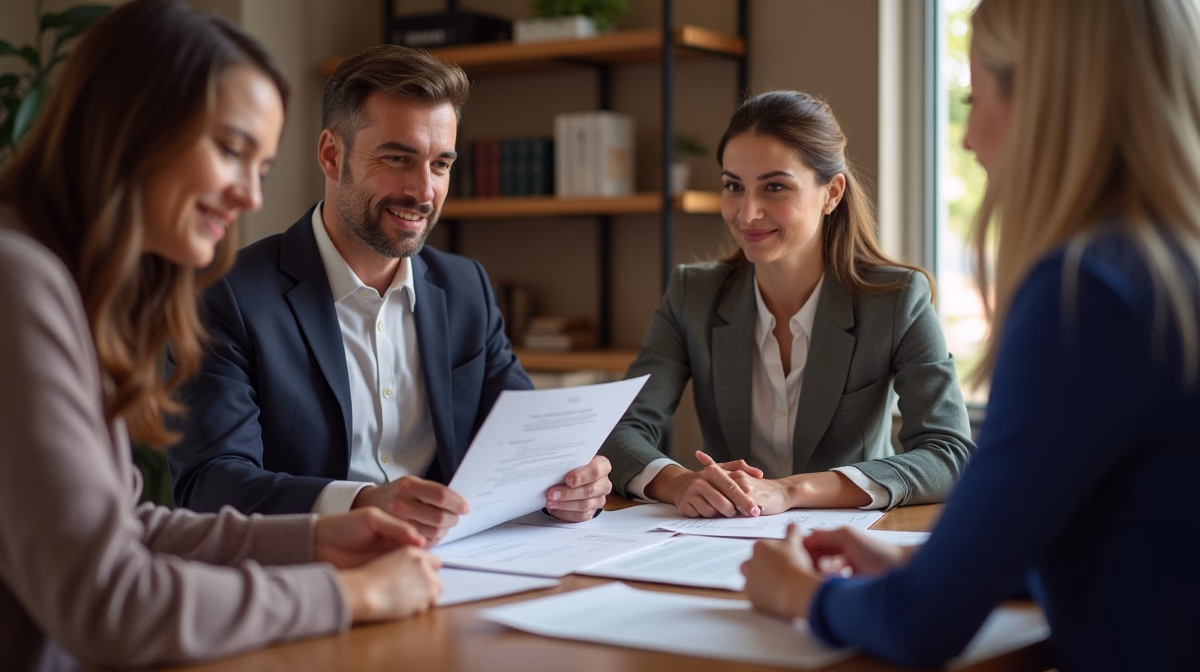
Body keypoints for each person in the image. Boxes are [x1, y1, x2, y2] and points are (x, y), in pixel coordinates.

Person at [740, 0, 1200, 668]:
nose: (967, 139)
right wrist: (921, 561)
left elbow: (920, 626)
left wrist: (802, 596)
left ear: (1045, 104)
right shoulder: (1167, 269)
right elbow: (1134, 540)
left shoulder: (1086, 294)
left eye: (973, 98)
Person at [0, 1, 446, 669]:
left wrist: (316, 539)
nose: (250, 198)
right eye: (232, 150)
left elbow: (130, 528)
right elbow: (110, 601)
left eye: (261, 168)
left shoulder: (63, 285)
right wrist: (344, 593)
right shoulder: (18, 280)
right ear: (132, 126)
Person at [166, 44, 610, 542]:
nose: (423, 191)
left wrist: (569, 489)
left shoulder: (467, 289)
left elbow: (525, 451)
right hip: (309, 578)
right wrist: (358, 503)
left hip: (459, 571)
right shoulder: (225, 296)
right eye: (398, 158)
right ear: (332, 155)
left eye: (440, 164)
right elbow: (209, 483)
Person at [600, 91, 975, 517]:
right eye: (733, 187)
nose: (747, 213)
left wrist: (790, 491)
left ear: (831, 193)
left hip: (849, 542)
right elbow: (619, 429)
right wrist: (681, 482)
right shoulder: (693, 294)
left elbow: (949, 454)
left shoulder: (896, 299)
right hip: (721, 540)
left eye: (775, 186)